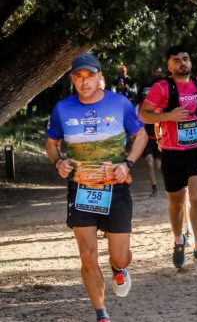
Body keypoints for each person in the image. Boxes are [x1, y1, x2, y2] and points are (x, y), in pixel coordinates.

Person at [45, 53, 147, 322]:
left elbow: (141, 135)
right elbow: (52, 143)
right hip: (81, 189)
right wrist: (58, 162)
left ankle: (118, 268)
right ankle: (101, 314)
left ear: (100, 77)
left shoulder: (120, 104)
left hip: (115, 188)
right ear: (72, 80)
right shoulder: (62, 109)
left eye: (90, 75)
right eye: (78, 76)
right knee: (88, 256)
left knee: (121, 256)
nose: (84, 81)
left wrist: (128, 164)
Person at [139, 45, 197, 270]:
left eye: (186, 58)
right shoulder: (161, 87)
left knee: (196, 196)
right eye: (177, 60)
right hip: (172, 151)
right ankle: (178, 241)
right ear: (169, 65)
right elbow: (144, 114)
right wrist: (168, 116)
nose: (183, 63)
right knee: (176, 202)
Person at [136, 86, 162, 197]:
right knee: (149, 161)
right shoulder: (138, 108)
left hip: (157, 139)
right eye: (144, 96)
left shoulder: (159, 108)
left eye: (148, 96)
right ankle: (154, 188)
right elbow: (135, 123)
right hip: (146, 140)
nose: (146, 98)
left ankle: (172, 185)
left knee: (159, 165)